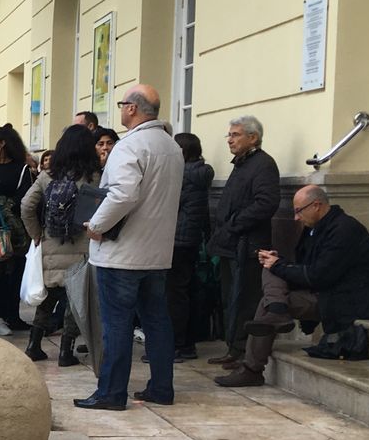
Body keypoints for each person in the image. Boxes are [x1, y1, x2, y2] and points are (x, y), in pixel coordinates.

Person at [74, 85, 183, 411]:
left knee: (117, 325)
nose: (120, 109)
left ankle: (111, 392)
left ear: (133, 109)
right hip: (156, 252)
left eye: (122, 104)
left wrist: (96, 226)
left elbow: (123, 194)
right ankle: (162, 387)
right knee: (157, 322)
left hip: (123, 252)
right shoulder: (171, 146)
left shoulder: (130, 146)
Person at [215, 186, 369, 387]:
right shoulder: (315, 228)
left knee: (268, 298)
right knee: (270, 270)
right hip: (324, 291)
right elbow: (306, 268)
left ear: (316, 206)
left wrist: (280, 265)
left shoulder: (344, 230)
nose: (296, 218)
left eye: (298, 211)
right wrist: (278, 262)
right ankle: (276, 310)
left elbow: (319, 276)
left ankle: (253, 367)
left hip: (350, 300)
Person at [207, 115, 281, 370]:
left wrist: (234, 225)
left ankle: (242, 350)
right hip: (231, 244)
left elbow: (265, 203)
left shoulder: (263, 165)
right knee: (230, 298)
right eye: (229, 135)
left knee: (245, 299)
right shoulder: (242, 164)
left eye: (235, 135)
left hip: (247, 246)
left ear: (253, 137)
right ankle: (233, 346)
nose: (230, 139)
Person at [19, 124, 97, 365]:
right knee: (75, 301)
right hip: (82, 245)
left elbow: (26, 206)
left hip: (51, 242)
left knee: (48, 297)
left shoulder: (47, 175)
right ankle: (66, 351)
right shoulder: (94, 177)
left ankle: (34, 345)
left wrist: (36, 234)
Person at [0, 123, 37, 336]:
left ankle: (12, 316)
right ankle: (0, 317)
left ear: (2, 144)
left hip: (15, 230)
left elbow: (25, 198)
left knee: (15, 271)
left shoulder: (22, 169)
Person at [168, 133, 214, 361]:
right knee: (186, 290)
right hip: (191, 239)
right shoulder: (200, 173)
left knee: (175, 293)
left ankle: (176, 343)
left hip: (176, 239)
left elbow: (169, 205)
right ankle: (186, 343)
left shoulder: (183, 175)